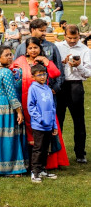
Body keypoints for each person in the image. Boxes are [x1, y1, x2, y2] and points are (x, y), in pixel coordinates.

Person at [11, 37, 70, 171]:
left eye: (35, 47)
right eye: (30, 48)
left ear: (40, 48)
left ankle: (46, 164)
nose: (33, 50)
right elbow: (11, 73)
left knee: (45, 131)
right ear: (26, 49)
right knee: (29, 133)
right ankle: (29, 163)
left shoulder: (43, 61)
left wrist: (46, 61)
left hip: (44, 104)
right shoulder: (19, 61)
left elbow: (56, 73)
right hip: (26, 103)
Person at [0, 45, 27, 175]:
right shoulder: (6, 72)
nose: (10, 57)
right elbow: (11, 95)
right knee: (8, 137)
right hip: (4, 109)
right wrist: (19, 111)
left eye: (11, 54)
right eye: (7, 55)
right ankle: (10, 168)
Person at [55, 25, 91, 163]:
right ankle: (57, 152)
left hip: (76, 85)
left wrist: (78, 65)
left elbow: (88, 73)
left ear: (79, 36)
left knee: (79, 121)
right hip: (60, 85)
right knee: (58, 119)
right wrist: (63, 64)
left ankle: (80, 153)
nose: (72, 40)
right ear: (64, 35)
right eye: (69, 38)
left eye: (75, 38)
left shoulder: (85, 49)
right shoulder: (58, 46)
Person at [27, 64, 60, 183]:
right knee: (38, 148)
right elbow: (31, 107)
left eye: (44, 74)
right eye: (39, 74)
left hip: (49, 125)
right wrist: (40, 119)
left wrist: (54, 125)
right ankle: (34, 172)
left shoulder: (47, 89)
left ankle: (42, 170)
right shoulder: (33, 88)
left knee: (46, 148)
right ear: (33, 76)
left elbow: (52, 107)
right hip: (39, 125)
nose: (43, 77)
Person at [14, 19, 64, 95]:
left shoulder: (51, 47)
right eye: (41, 31)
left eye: (45, 31)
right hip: (26, 92)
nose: (44, 33)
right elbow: (15, 70)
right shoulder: (21, 47)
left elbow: (59, 68)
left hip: (48, 90)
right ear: (33, 30)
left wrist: (56, 87)